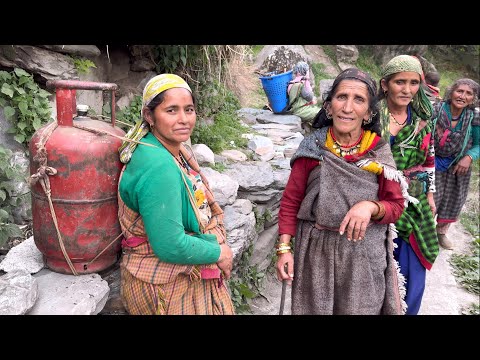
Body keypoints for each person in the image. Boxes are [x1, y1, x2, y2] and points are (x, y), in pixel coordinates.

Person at [276, 68, 407, 315]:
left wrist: (370, 206)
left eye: (358, 100)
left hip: (363, 256)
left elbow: (396, 206)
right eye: (341, 97)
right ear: (328, 106)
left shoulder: (377, 151)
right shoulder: (313, 146)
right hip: (316, 254)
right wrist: (284, 249)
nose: (348, 108)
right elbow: (291, 201)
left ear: (368, 112)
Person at [116, 73, 235, 315]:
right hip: (165, 289)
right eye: (171, 110)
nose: (183, 119)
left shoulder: (167, 149)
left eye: (188, 110)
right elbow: (170, 245)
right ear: (149, 116)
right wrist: (219, 252)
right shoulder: (159, 165)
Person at [377, 54, 439, 315]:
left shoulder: (423, 120)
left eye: (414, 83)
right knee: (377, 266)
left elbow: (430, 159)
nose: (407, 89)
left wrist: (431, 194)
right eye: (400, 82)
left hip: (414, 200)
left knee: (412, 269)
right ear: (385, 84)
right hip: (376, 197)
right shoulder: (370, 116)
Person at [432, 78, 479, 249]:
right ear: (451, 92)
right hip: (433, 161)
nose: (462, 96)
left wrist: (469, 157)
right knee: (431, 198)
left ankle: (441, 233)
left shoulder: (474, 116)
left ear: (473, 98)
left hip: (459, 166)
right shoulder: (436, 110)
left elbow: (478, 143)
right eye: (460, 91)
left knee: (453, 199)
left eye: (468, 93)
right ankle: (423, 231)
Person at [287, 61, 321, 134]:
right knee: (321, 114)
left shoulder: (292, 83)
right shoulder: (300, 85)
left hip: (298, 108)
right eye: (307, 71)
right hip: (300, 110)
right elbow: (309, 97)